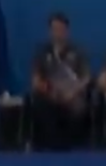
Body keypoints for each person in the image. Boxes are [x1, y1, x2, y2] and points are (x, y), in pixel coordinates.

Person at [29, 13, 92, 151]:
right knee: (39, 101)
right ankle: (50, 145)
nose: (58, 33)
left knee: (81, 105)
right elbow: (36, 79)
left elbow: (86, 78)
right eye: (55, 29)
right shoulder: (42, 52)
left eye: (61, 29)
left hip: (73, 93)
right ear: (50, 31)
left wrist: (72, 92)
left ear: (66, 31)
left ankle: (74, 144)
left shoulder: (77, 51)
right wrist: (51, 91)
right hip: (50, 93)